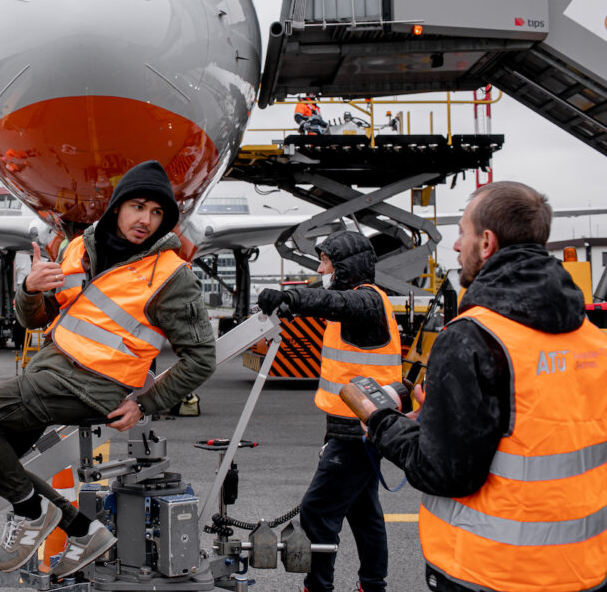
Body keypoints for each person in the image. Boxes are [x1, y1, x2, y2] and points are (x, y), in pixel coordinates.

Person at [0, 160, 215, 579]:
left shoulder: (171, 275)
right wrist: (29, 289)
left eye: (157, 213)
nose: (146, 220)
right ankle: (83, 529)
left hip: (94, 386)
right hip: (49, 374)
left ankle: (34, 513)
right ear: (118, 207)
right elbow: (34, 320)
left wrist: (148, 402)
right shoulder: (78, 250)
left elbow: (202, 357)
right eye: (138, 206)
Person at [361, 182, 607, 592]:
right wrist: (445, 417)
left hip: (490, 571)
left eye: (462, 232)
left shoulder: (471, 338)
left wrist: (382, 421)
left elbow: (444, 473)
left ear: (487, 242)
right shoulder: (592, 338)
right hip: (583, 568)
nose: (456, 245)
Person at [257, 230, 401, 592]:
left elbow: (332, 303)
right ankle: (373, 585)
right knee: (364, 514)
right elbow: (329, 302)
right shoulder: (362, 301)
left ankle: (318, 586)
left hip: (358, 432)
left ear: (345, 267)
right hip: (355, 428)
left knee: (317, 512)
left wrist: (292, 296)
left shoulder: (366, 302)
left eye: (325, 262)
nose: (321, 269)